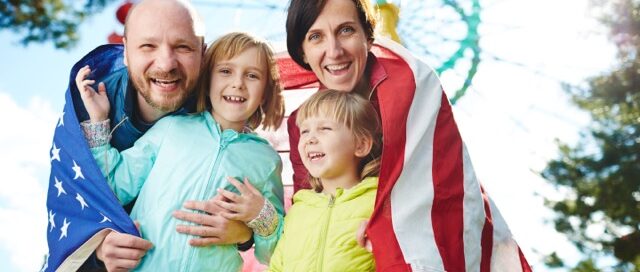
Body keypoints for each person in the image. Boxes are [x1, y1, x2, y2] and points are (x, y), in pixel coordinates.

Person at [282, 0, 532, 271]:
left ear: (368, 36)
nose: (334, 51)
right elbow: (309, 202)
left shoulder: (412, 88)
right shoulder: (302, 122)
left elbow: (442, 187)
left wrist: (386, 228)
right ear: (303, 52)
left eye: (346, 31)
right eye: (315, 37)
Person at [51, 0, 254, 270]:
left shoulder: (225, 108)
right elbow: (72, 215)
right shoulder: (85, 111)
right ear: (125, 52)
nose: (166, 63)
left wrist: (243, 234)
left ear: (203, 53)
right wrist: (99, 253)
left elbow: (249, 204)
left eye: (182, 47)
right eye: (148, 46)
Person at [76, 31, 285, 270]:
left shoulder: (266, 160)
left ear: (266, 91)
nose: (238, 83)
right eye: (226, 71)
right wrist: (99, 121)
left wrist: (261, 216)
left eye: (252, 75)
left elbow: (273, 254)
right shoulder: (171, 128)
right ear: (207, 80)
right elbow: (114, 187)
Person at [268, 90, 381, 271]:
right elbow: (276, 267)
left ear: (361, 145)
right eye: (305, 131)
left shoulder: (379, 204)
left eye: (325, 129)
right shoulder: (299, 210)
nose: (310, 139)